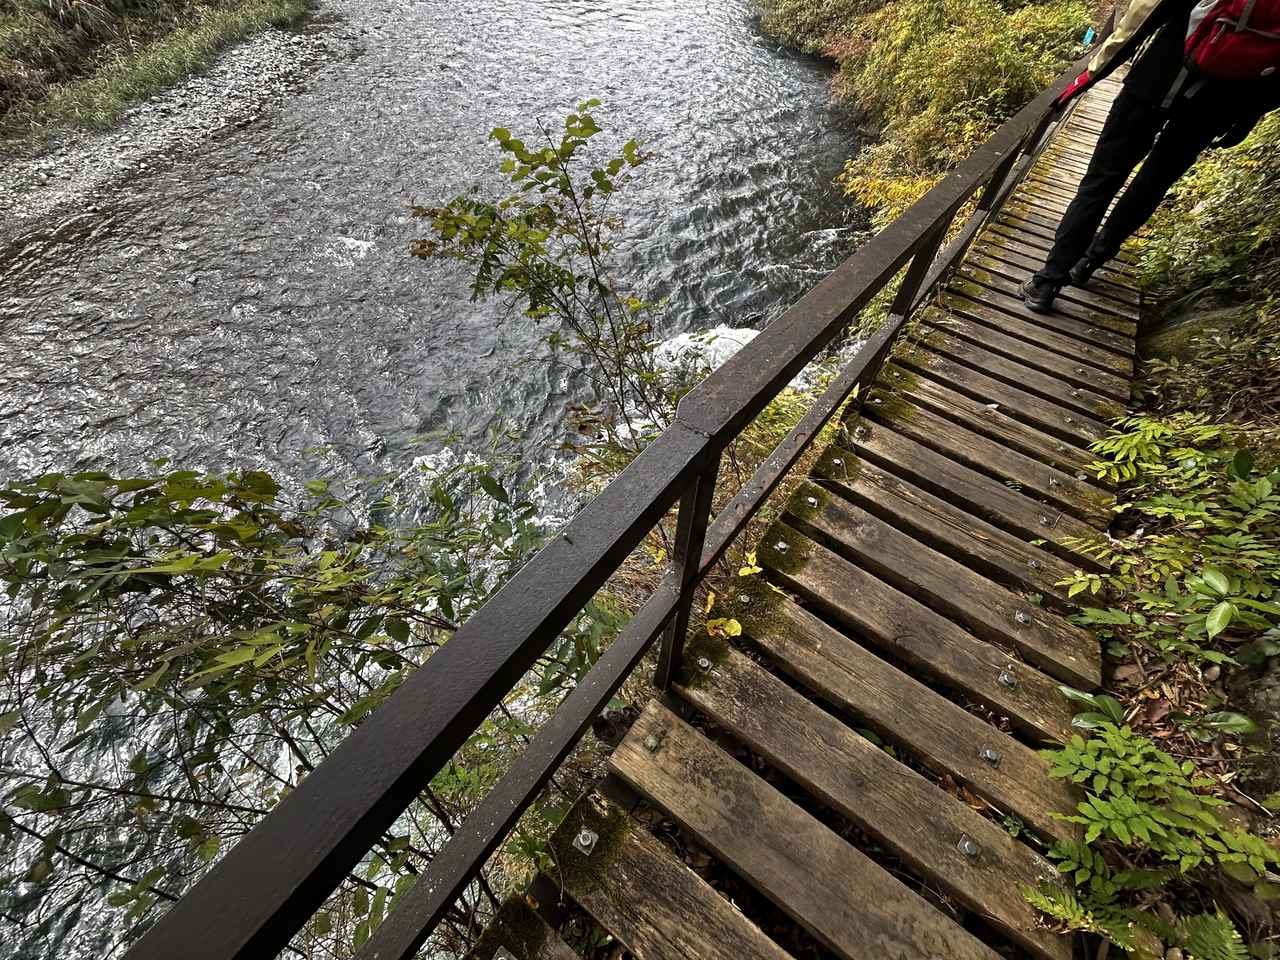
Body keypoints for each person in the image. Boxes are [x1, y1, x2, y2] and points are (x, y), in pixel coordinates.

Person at [1018, 0, 1280, 313]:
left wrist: (1087, 77)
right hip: (1213, 107)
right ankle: (1089, 262)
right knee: (1151, 186)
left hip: (1152, 84)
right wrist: (1245, 117)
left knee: (1100, 181)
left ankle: (1048, 282)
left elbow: (1141, 19)